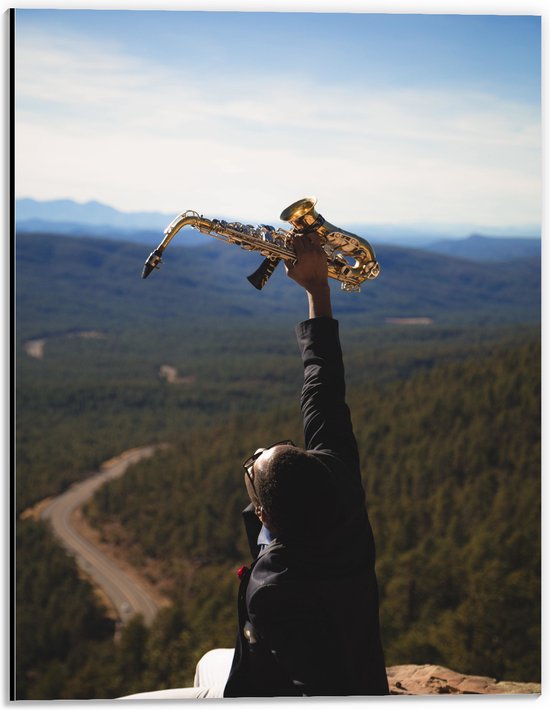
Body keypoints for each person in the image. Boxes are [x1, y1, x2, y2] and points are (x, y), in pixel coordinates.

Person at [121, 231, 388, 700]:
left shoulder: (275, 590)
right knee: (208, 660)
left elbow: (305, 686)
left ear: (263, 517)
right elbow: (322, 381)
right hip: (361, 673)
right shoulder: (338, 476)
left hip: (273, 689)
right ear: (312, 461)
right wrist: (317, 290)